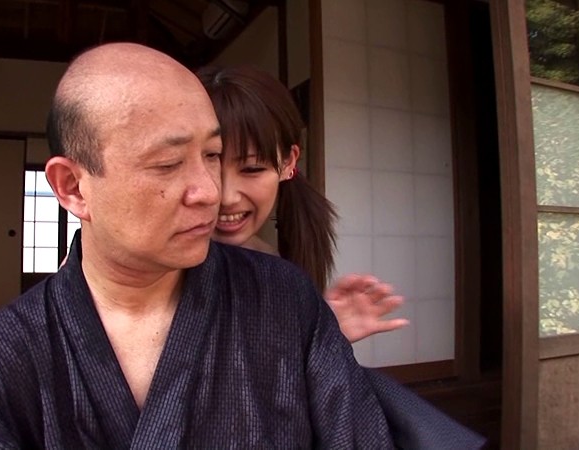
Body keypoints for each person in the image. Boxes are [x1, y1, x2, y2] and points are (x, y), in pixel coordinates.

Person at [0, 43, 399, 448]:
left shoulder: (286, 298)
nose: (212, 193)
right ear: (73, 187)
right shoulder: (11, 348)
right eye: (167, 163)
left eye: (211, 155)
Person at [196, 64, 486, 449]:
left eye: (252, 168)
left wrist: (319, 334)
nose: (227, 196)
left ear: (288, 163)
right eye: (211, 162)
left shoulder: (280, 270)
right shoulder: (152, 265)